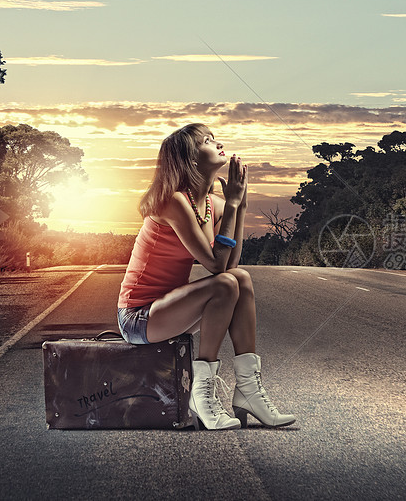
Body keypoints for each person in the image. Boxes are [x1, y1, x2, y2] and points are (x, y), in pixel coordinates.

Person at [116, 123, 295, 430]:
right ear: (190, 157)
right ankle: (201, 392)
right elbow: (214, 265)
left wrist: (240, 207)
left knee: (240, 279)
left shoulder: (215, 205)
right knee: (226, 282)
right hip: (139, 317)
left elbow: (230, 264)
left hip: (172, 312)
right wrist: (236, 204)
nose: (218, 143)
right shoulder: (174, 202)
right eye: (208, 141)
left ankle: (248, 390)